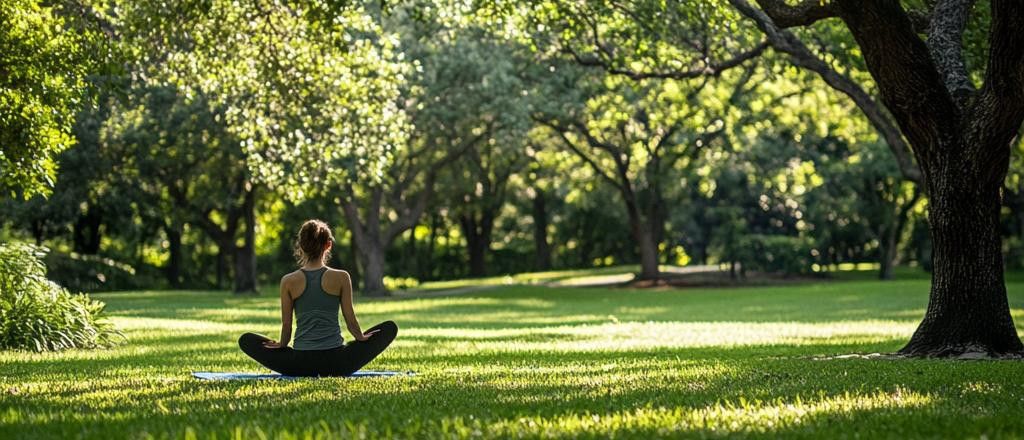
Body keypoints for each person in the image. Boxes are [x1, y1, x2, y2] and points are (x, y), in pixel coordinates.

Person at [238, 219, 397, 376]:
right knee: (389, 328)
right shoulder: (341, 277)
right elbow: (351, 320)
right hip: (338, 363)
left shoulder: (288, 281)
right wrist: (360, 337)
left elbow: (287, 326)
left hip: (299, 364)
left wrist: (282, 345)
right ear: (328, 245)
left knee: (246, 340)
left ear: (300, 245)